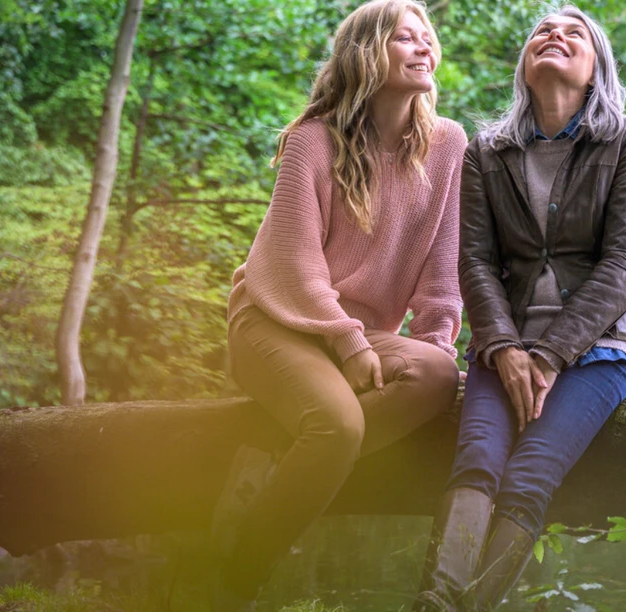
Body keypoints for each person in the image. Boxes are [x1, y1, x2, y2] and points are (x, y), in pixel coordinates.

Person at [216, 1, 465, 609]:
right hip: (275, 321)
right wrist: (350, 344)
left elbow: (443, 265)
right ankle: (230, 580)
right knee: (338, 425)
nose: (423, 46)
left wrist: (433, 341)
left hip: (358, 333)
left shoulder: (448, 144)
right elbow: (294, 265)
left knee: (438, 373)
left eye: (428, 38)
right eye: (405, 37)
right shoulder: (311, 142)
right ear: (365, 51)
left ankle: (276, 463)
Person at [413, 4, 626, 610]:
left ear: (596, 69)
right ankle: (436, 600)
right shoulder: (487, 152)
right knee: (474, 463)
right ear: (526, 66)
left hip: (602, 348)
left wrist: (548, 354)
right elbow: (475, 263)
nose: (555, 35)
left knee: (528, 477)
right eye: (543, 30)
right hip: (506, 346)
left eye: (575, 32)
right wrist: (503, 347)